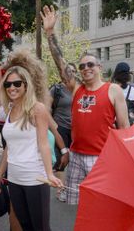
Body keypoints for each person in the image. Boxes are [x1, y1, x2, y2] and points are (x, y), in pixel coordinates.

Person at [41, 5, 130, 204]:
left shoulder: (112, 90)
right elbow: (61, 62)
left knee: (101, 205)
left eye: (91, 64)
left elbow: (124, 128)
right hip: (77, 156)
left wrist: (123, 161)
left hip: (101, 158)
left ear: (99, 67)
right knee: (78, 205)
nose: (86, 68)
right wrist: (49, 33)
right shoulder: (77, 89)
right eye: (82, 66)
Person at [0, 33, 69, 231]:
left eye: (17, 84)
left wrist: (50, 173)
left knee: (39, 227)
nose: (12, 88)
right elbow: (9, 148)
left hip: (35, 177)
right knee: (24, 225)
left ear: (26, 85)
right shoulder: (10, 110)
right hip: (14, 178)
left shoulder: (37, 109)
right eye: (8, 84)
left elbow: (42, 143)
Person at [50, 62, 77, 202]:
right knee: (62, 158)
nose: (70, 73)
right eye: (68, 71)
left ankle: (70, 186)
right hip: (60, 127)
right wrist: (51, 125)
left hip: (76, 129)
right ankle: (60, 190)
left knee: (74, 158)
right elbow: (47, 107)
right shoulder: (57, 89)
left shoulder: (78, 89)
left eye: (73, 71)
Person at [112, 61, 134, 127]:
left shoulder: (112, 89)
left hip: (116, 125)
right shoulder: (133, 89)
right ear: (128, 75)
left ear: (116, 75)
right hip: (131, 124)